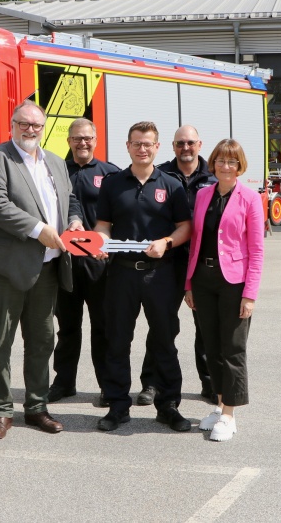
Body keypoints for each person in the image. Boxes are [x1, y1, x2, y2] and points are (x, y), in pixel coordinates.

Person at [0, 100, 84, 440]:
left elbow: (70, 198)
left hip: (46, 269)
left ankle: (36, 407)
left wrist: (74, 221)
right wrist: (39, 230)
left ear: (43, 128)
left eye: (36, 124)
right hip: (3, 269)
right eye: (24, 123)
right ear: (12, 124)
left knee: (42, 340)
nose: (30, 129)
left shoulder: (56, 162)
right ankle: (2, 411)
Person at [94, 121, 192, 433]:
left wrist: (167, 242)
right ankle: (117, 406)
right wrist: (101, 242)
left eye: (148, 144)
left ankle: (168, 406)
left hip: (160, 275)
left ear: (157, 147)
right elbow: (103, 224)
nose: (142, 149)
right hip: (121, 274)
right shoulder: (112, 184)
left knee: (164, 341)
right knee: (117, 341)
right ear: (128, 146)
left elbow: (185, 227)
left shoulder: (172, 184)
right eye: (136, 143)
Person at [185, 139, 265, 442]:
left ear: (240, 165)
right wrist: (189, 284)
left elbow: (257, 250)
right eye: (221, 160)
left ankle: (230, 415)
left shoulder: (250, 198)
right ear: (213, 163)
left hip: (234, 282)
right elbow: (196, 242)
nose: (226, 166)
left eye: (232, 161)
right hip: (203, 280)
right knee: (211, 346)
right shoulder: (203, 194)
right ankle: (219, 406)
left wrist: (250, 294)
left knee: (232, 348)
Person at [137, 126, 218, 405]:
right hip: (167, 262)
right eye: (180, 143)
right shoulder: (159, 175)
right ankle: (151, 383)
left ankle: (210, 383)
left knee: (205, 326)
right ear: (172, 146)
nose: (186, 148)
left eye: (190, 143)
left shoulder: (213, 178)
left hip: (202, 263)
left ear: (200, 144)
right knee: (162, 325)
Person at [48, 118, 120, 407]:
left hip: (99, 264)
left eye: (88, 138)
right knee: (67, 327)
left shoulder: (111, 173)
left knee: (103, 327)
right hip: (64, 262)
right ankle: (64, 383)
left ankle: (107, 386)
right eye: (77, 138)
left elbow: (120, 215)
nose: (82, 143)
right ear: (69, 141)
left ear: (96, 140)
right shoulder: (56, 171)